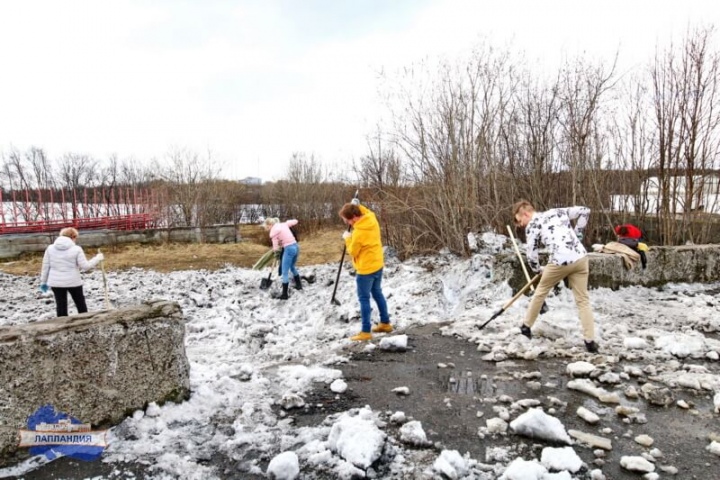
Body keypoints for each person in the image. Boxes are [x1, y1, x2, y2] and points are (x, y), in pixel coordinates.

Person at [512, 200, 599, 353]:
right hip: (580, 258)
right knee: (583, 300)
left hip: (559, 261)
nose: (521, 225)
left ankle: (526, 327)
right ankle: (590, 341)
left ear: (525, 213)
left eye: (520, 221)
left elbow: (531, 254)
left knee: (540, 292)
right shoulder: (556, 211)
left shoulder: (533, 225)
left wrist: (538, 269)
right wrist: (578, 232)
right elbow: (585, 210)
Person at [339, 199, 391, 341]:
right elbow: (365, 210)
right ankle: (385, 323)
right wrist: (356, 204)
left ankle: (365, 331)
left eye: (347, 220)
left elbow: (353, 252)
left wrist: (347, 239)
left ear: (354, 217)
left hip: (365, 270)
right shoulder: (371, 218)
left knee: (364, 299)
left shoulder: (358, 233)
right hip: (377, 264)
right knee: (377, 293)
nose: (348, 224)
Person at [39, 227, 105, 317]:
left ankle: (62, 327)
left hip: (56, 283)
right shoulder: (76, 249)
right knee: (81, 305)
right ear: (73, 236)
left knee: (61, 307)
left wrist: (43, 282)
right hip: (73, 282)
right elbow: (85, 267)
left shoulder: (50, 248)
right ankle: (85, 323)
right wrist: (97, 258)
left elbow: (45, 266)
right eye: (76, 238)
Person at [263, 217, 302, 300]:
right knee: (292, 267)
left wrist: (275, 252)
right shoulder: (283, 224)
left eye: (267, 227)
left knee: (284, 272)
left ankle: (284, 295)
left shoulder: (273, 232)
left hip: (289, 249)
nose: (267, 229)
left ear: (270, 225)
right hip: (296, 246)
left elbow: (275, 248)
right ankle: (299, 285)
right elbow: (295, 221)